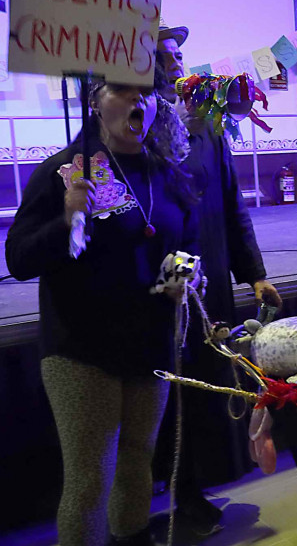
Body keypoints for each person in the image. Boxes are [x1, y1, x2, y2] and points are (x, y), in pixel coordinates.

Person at [5, 73, 197, 546]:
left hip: (149, 344)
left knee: (137, 465)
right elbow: (19, 260)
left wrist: (183, 276)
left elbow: (185, 243)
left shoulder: (165, 172)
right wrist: (67, 216)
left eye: (146, 92)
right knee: (90, 479)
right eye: (122, 90)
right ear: (95, 101)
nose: (138, 99)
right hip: (82, 350)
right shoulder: (61, 172)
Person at [153, 20, 282, 533]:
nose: (176, 64)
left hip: (212, 284)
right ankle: (181, 494)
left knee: (208, 383)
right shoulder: (136, 133)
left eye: (178, 55)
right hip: (165, 288)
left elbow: (233, 205)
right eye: (163, 56)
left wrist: (255, 275)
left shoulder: (206, 127)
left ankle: (198, 486)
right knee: (175, 393)